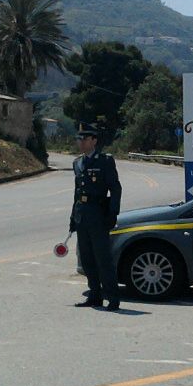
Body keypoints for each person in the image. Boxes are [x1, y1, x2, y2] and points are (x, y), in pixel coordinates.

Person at [70, 124, 122, 310]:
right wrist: (72, 218)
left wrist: (112, 213)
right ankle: (94, 295)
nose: (81, 143)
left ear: (94, 141)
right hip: (82, 216)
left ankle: (113, 298)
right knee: (87, 258)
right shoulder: (77, 163)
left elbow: (115, 188)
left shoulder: (104, 161)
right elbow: (77, 192)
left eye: (84, 139)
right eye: (79, 139)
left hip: (98, 214)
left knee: (102, 259)